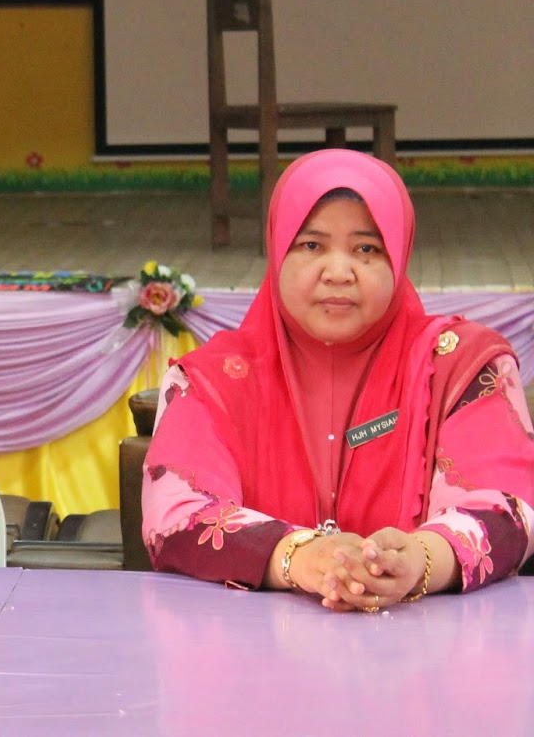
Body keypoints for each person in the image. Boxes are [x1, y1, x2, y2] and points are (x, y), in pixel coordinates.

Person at [143, 149, 534, 607]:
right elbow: (177, 515)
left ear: (398, 257)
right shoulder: (212, 380)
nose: (338, 273)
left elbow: (507, 507)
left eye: (366, 249)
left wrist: (418, 561)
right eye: (312, 245)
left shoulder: (462, 368)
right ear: (277, 251)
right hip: (252, 645)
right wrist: (301, 558)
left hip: (428, 643)